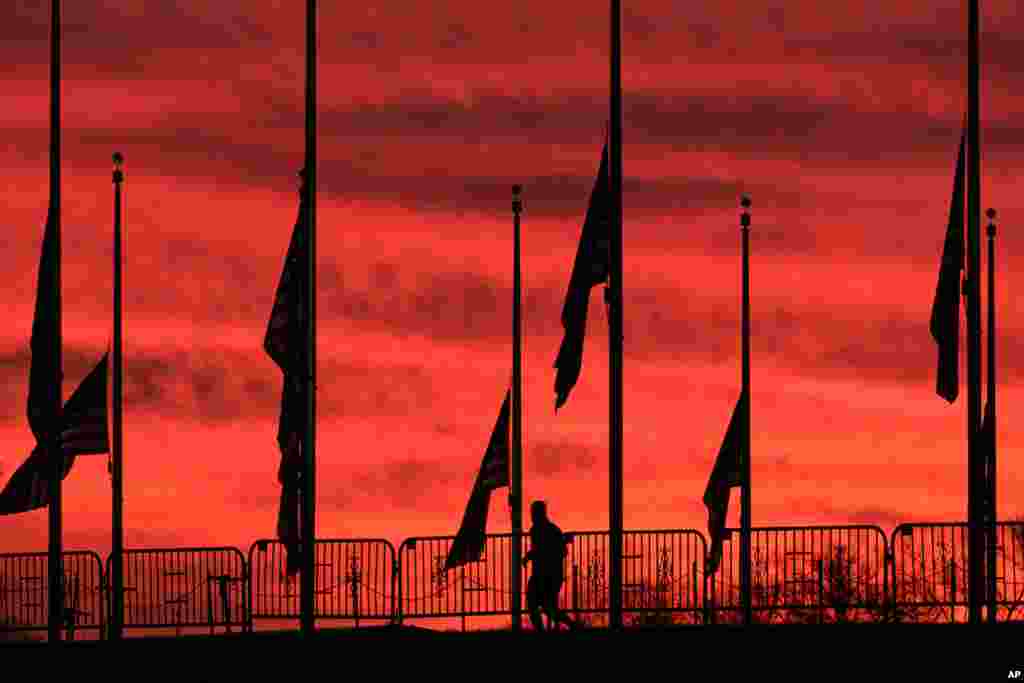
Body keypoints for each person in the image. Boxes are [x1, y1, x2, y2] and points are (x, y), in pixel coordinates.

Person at [522, 500, 578, 631]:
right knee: (547, 608)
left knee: (537, 605)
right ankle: (572, 625)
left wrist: (529, 556)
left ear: (537, 514)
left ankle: (568, 626)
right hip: (551, 574)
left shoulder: (538, 530)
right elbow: (562, 552)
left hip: (544, 575)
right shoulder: (552, 529)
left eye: (533, 513)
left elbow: (540, 549)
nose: (532, 516)